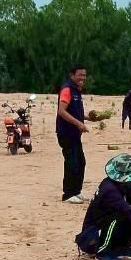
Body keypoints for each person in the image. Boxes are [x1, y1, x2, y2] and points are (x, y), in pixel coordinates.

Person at [55, 64, 90, 203]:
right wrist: (79, 124)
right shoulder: (67, 89)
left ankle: (77, 191)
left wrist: (88, 118)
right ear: (72, 75)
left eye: (84, 75)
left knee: (81, 162)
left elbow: (74, 112)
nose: (83, 77)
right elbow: (61, 111)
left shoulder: (77, 90)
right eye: (80, 75)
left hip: (75, 134)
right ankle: (68, 194)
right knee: (72, 163)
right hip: (66, 133)